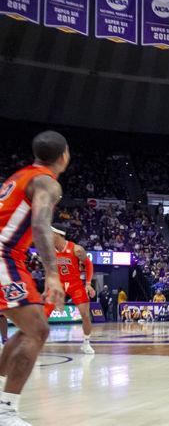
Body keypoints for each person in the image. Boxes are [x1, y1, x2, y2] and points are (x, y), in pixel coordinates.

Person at [0, 131, 69, 424]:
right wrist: (53, 275)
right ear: (64, 156)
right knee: (38, 330)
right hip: (4, 255)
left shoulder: (21, 175)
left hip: (9, 257)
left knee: (30, 327)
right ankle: (6, 411)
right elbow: (40, 226)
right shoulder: (46, 182)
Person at [43, 224, 96, 354]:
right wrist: (45, 290)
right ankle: (39, 344)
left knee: (85, 314)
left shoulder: (76, 249)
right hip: (58, 284)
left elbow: (88, 264)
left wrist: (88, 283)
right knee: (44, 314)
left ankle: (86, 342)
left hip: (75, 284)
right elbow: (49, 272)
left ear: (59, 234)